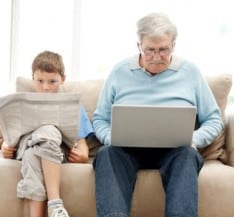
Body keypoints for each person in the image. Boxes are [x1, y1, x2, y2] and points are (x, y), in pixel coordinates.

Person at [92, 13, 224, 217]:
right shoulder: (119, 72)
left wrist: (193, 139)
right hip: (126, 150)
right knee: (106, 154)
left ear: (173, 44)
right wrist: (112, 138)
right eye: (150, 50)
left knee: (187, 155)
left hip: (176, 152)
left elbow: (214, 119)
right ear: (139, 46)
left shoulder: (190, 72)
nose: (156, 56)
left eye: (163, 49)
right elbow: (100, 118)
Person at [1, 50, 94, 217]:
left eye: (52, 81)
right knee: (46, 132)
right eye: (40, 81)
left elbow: (82, 144)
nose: (46, 87)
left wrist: (83, 155)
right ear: (33, 79)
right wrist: (5, 146)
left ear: (63, 79)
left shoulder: (73, 105)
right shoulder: (24, 102)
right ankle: (55, 204)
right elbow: (11, 134)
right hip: (25, 144)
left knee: (32, 155)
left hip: (57, 151)